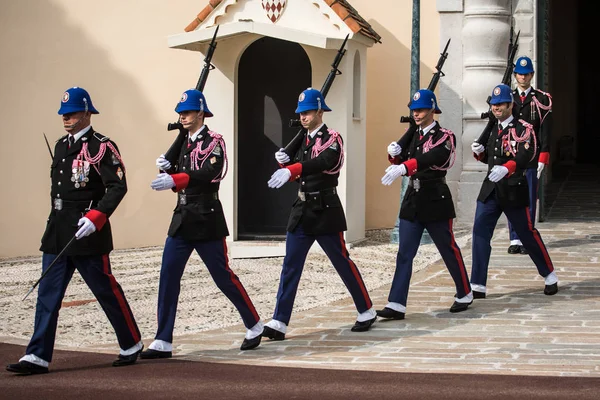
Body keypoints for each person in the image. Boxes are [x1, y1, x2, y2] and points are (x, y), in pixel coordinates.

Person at [6, 87, 143, 375]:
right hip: (58, 231)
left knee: (105, 290)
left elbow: (117, 186)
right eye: (63, 115)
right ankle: (37, 356)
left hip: (86, 231)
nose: (66, 119)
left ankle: (131, 342)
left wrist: (96, 217)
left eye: (71, 114)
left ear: (86, 113)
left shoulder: (101, 146)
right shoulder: (60, 146)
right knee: (48, 294)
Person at [142, 89, 263, 358]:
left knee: (223, 277)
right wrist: (167, 170)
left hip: (206, 217)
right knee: (168, 276)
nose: (182, 117)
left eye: (186, 112)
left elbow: (212, 172)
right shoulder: (183, 143)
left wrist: (176, 178)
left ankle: (254, 324)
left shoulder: (214, 141)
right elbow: (177, 174)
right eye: (180, 113)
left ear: (200, 113)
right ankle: (163, 339)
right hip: (182, 217)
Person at [262, 87, 376, 340]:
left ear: (320, 111)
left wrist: (292, 169)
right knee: (290, 266)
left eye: (308, 111)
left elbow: (326, 163)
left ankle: (366, 309)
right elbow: (299, 172)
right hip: (302, 209)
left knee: (341, 262)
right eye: (300, 113)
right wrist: (284, 163)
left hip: (325, 209)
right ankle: (280, 321)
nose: (303, 117)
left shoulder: (333, 138)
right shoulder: (302, 139)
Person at [377, 89, 473, 320]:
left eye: (420, 110)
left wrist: (405, 166)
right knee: (405, 253)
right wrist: (394, 155)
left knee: (447, 248)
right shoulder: (413, 134)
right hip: (413, 197)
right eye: (413, 110)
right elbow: (400, 159)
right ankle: (396, 303)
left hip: (435, 197)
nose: (416, 114)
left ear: (432, 110)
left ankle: (465, 292)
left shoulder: (444, 135)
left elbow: (436, 158)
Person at [470, 84, 558, 298]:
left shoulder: (523, 128)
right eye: (493, 104)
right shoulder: (492, 127)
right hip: (491, 189)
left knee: (527, 234)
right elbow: (491, 157)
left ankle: (549, 274)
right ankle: (477, 284)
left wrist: (507, 167)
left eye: (500, 104)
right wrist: (479, 153)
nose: (496, 108)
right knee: (480, 233)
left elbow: (526, 155)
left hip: (512, 189)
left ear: (511, 104)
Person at [506, 56, 553, 255]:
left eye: (526, 74)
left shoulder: (541, 99)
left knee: (529, 197)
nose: (523, 77)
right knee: (510, 195)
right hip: (512, 154)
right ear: (515, 75)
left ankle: (527, 237)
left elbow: (545, 129)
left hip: (532, 154)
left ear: (532, 75)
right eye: (520, 74)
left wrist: (543, 155)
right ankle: (514, 237)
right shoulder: (507, 98)